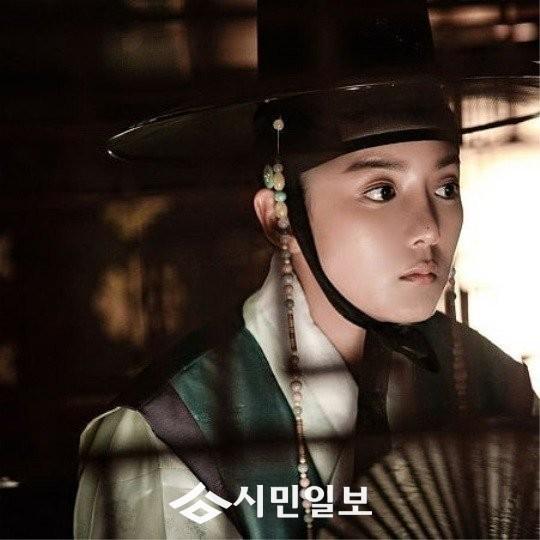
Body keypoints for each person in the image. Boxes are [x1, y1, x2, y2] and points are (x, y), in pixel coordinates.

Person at [73, 1, 539, 538]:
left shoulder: (494, 385)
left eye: (446, 187)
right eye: (381, 190)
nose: (429, 229)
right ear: (280, 217)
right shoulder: (172, 434)